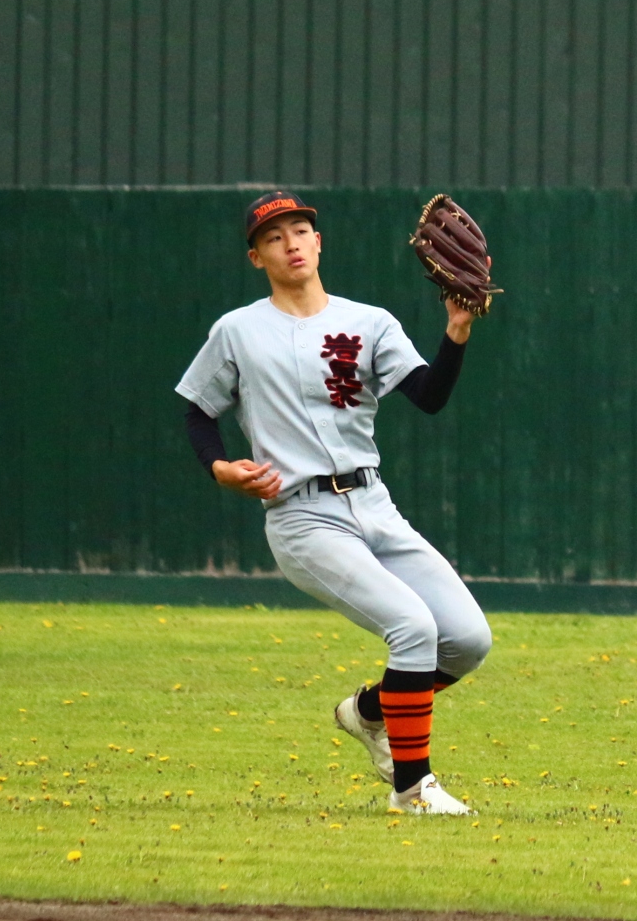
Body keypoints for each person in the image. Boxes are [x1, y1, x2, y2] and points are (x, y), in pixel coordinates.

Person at [175, 190, 491, 816]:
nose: (290, 243)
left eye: (300, 231)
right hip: (302, 517)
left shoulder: (369, 322)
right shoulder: (237, 330)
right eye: (273, 237)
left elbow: (428, 397)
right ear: (256, 257)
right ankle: (412, 789)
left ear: (318, 243)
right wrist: (220, 467)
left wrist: (456, 332)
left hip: (373, 503)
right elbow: (197, 410)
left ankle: (367, 713)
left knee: (467, 640)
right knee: (413, 628)